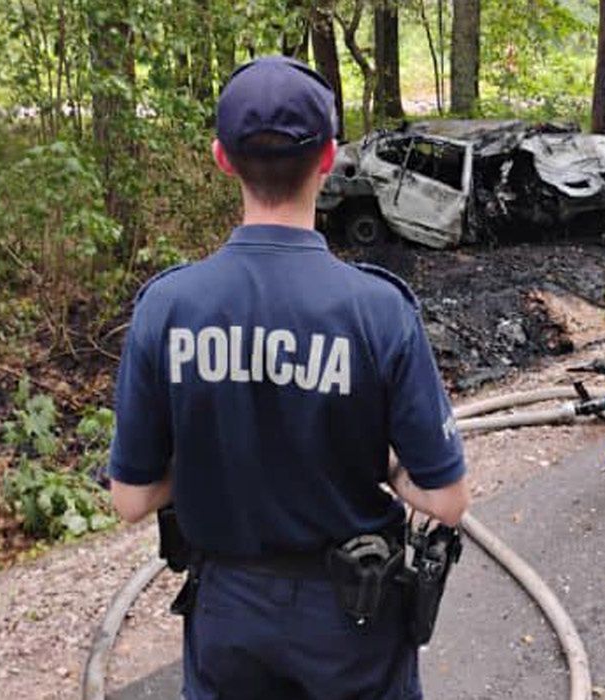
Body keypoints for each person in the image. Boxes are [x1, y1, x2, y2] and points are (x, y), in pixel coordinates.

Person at [106, 55, 470, 700]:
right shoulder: (378, 308)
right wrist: (382, 463)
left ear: (222, 158)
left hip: (227, 613)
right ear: (329, 158)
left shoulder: (166, 306)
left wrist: (212, 456)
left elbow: (131, 500)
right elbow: (446, 501)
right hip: (351, 618)